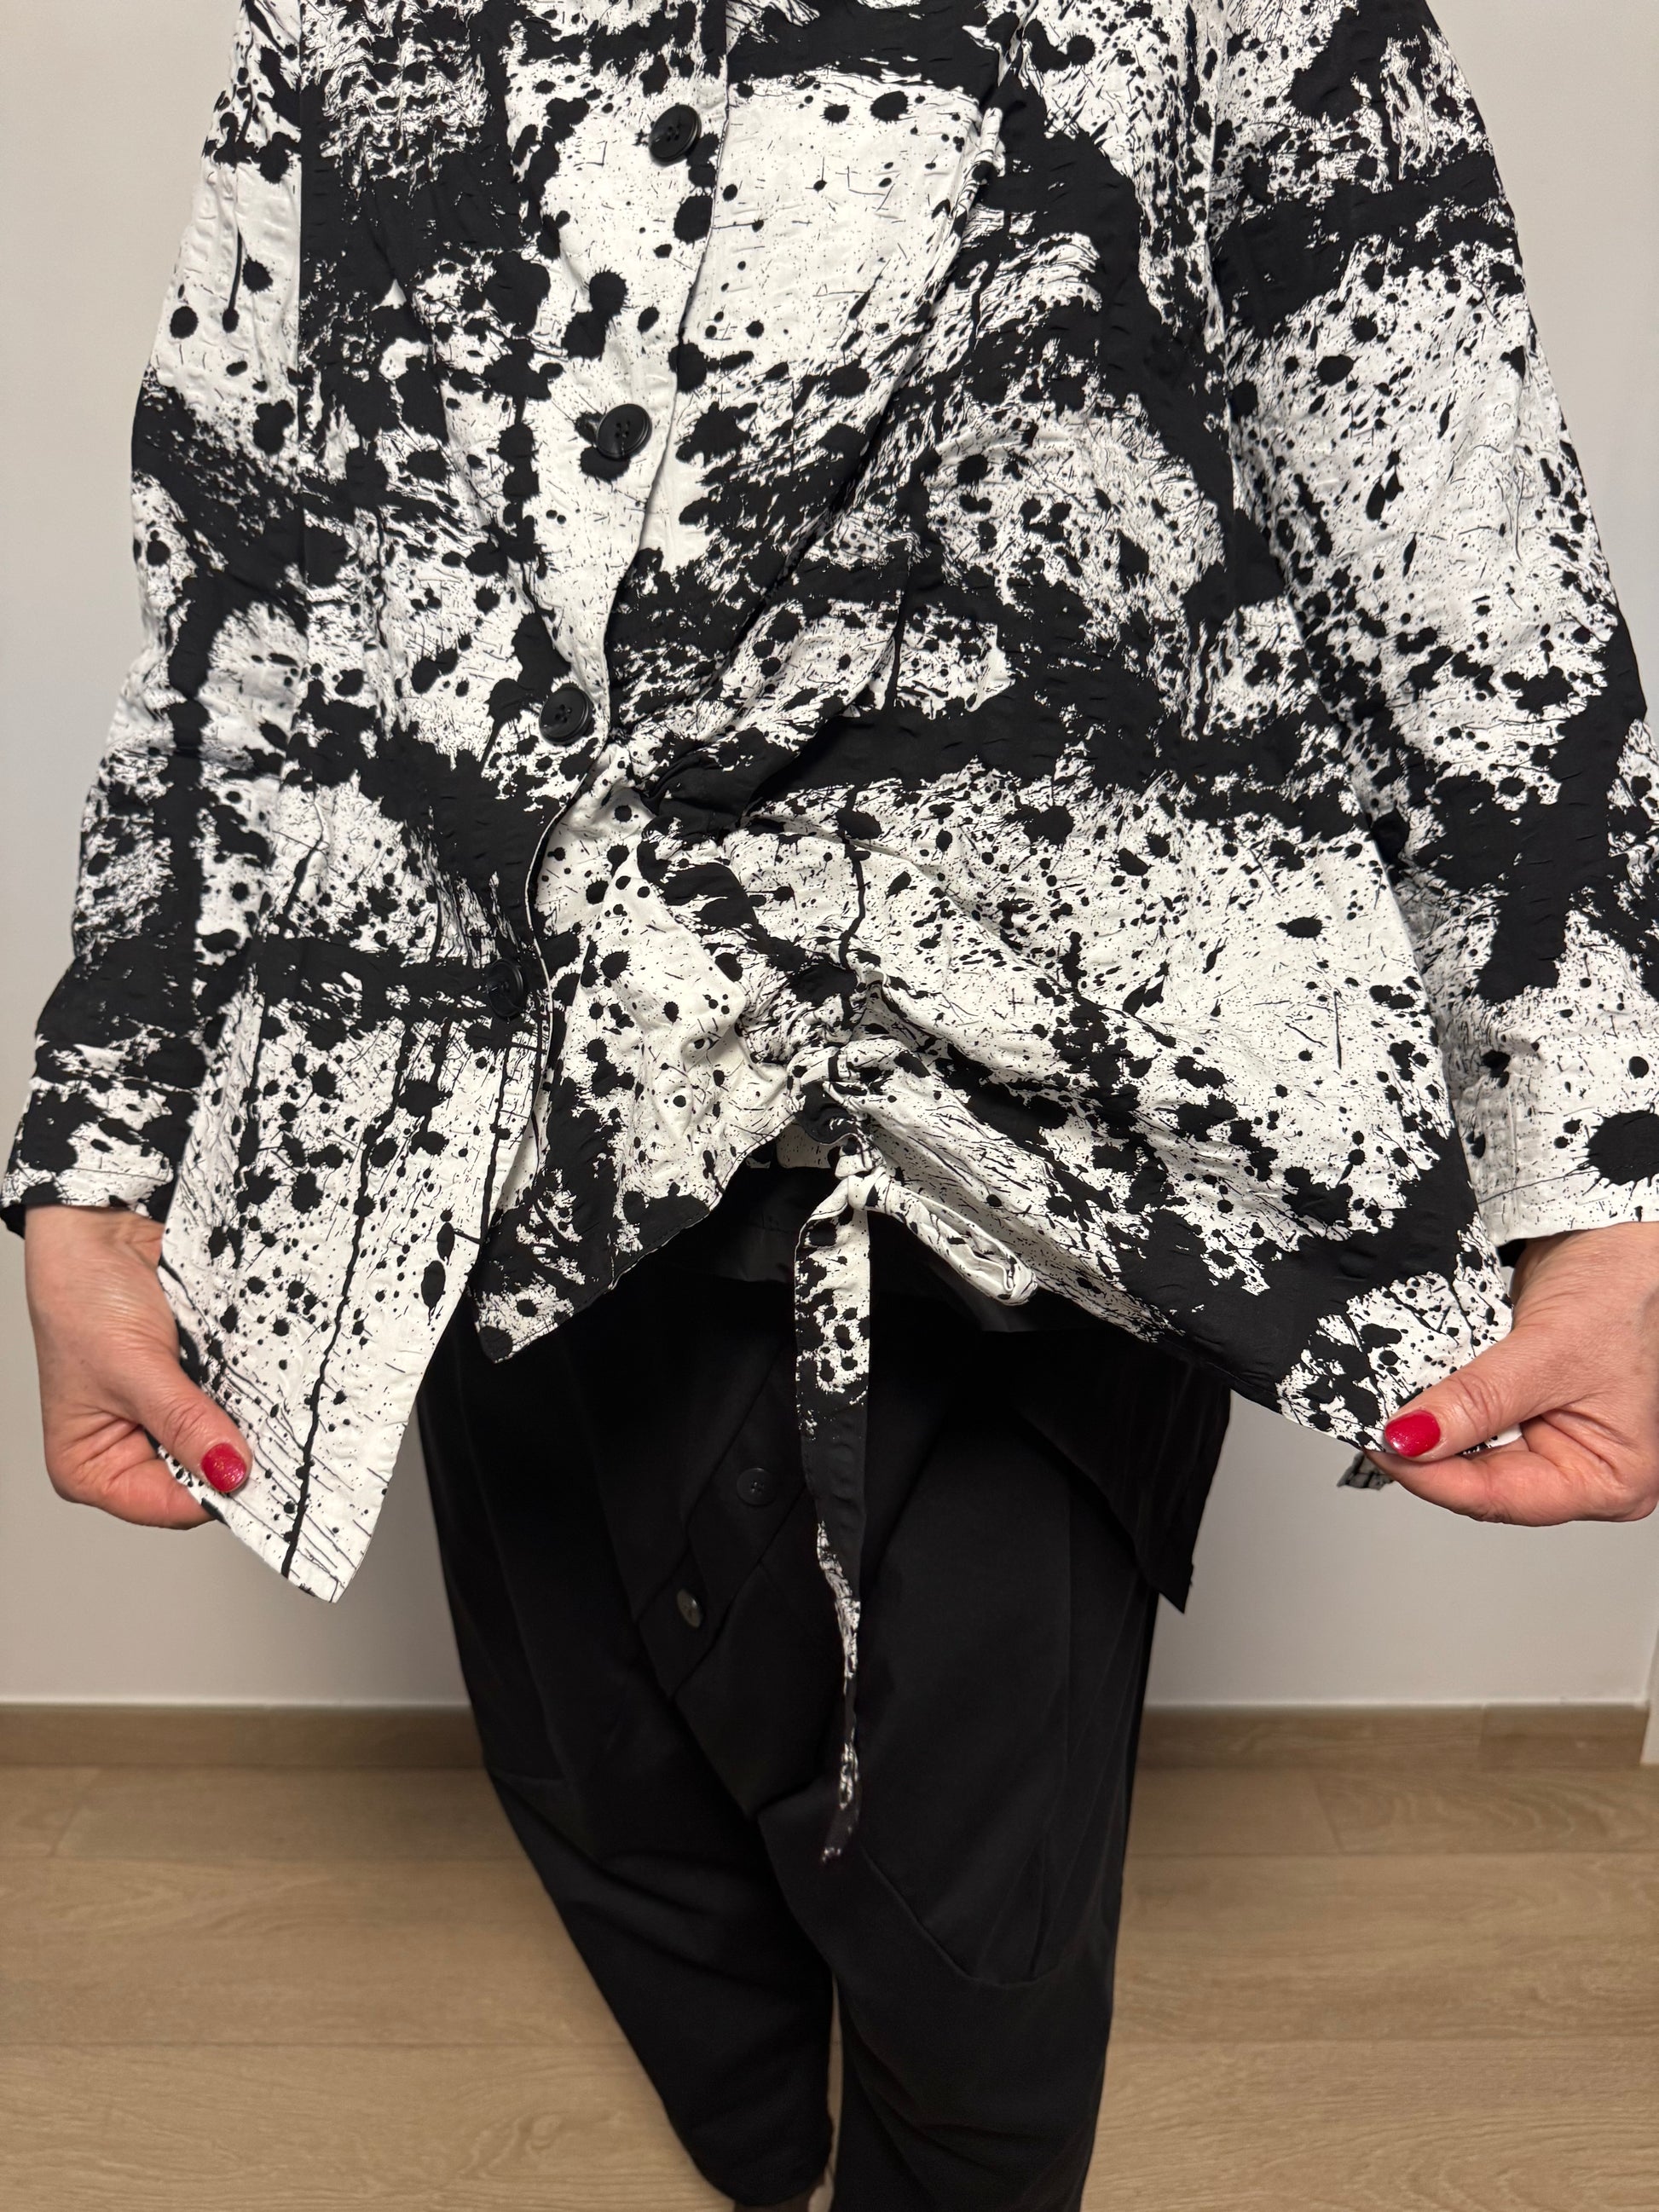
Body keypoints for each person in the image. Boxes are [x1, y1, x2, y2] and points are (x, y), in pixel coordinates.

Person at [13, 1, 1659, 2204]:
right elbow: (245, 591)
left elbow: (1456, 529)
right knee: (615, 1826)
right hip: (479, 1114)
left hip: (1037, 1151)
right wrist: (96, 1161)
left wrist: (1602, 1174)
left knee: (976, 1972)